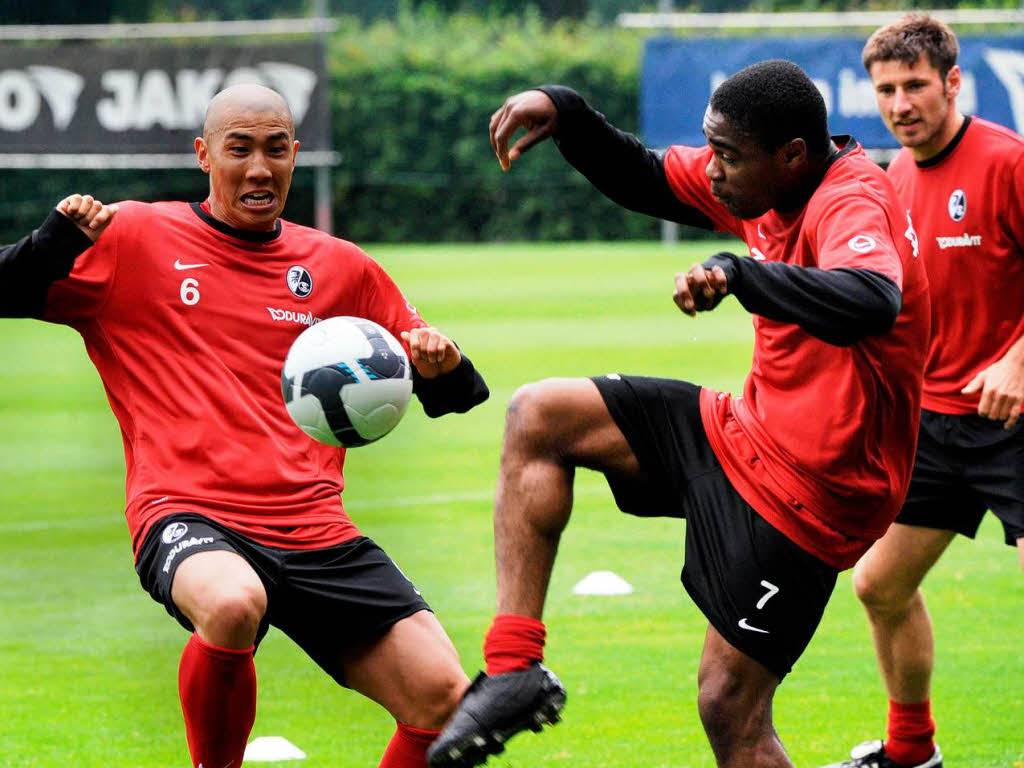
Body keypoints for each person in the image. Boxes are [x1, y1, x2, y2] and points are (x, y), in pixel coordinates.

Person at [426, 60, 930, 768]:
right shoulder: (764, 182)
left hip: (815, 495)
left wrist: (740, 273)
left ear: (791, 157)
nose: (713, 171)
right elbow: (647, 176)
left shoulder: (850, 200)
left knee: (729, 707)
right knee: (540, 415)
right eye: (711, 148)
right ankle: (514, 671)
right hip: (742, 433)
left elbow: (871, 298)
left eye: (727, 156)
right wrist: (567, 112)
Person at [0, 84, 489, 768]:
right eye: (240, 149)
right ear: (205, 155)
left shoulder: (342, 268)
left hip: (316, 526)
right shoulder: (135, 236)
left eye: (276, 149)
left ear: (294, 156)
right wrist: (52, 242)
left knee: (444, 700)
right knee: (232, 604)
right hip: (189, 510)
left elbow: (458, 394)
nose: (259, 168)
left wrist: (442, 365)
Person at [821, 15, 1024, 768]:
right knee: (878, 585)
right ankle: (912, 752)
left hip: (1018, 421)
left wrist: (1017, 363)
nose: (901, 103)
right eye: (886, 90)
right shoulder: (890, 183)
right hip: (933, 427)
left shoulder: (1009, 163)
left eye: (915, 86)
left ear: (952, 83)